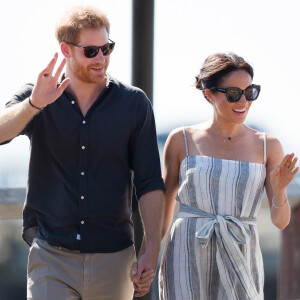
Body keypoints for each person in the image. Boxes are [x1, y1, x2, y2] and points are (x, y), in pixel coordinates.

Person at [0, 6, 165, 300]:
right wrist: (34, 105)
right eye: (91, 51)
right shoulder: (35, 95)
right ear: (66, 50)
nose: (101, 58)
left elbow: (150, 181)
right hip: (52, 257)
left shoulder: (134, 104)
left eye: (107, 48)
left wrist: (150, 250)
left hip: (115, 261)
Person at [158, 52, 299, 300]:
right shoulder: (181, 140)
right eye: (234, 93)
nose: (243, 100)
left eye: (250, 92)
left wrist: (278, 190)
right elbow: (164, 210)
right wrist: (147, 256)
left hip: (242, 253)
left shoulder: (268, 146)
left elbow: (281, 221)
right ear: (209, 93)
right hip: (186, 252)